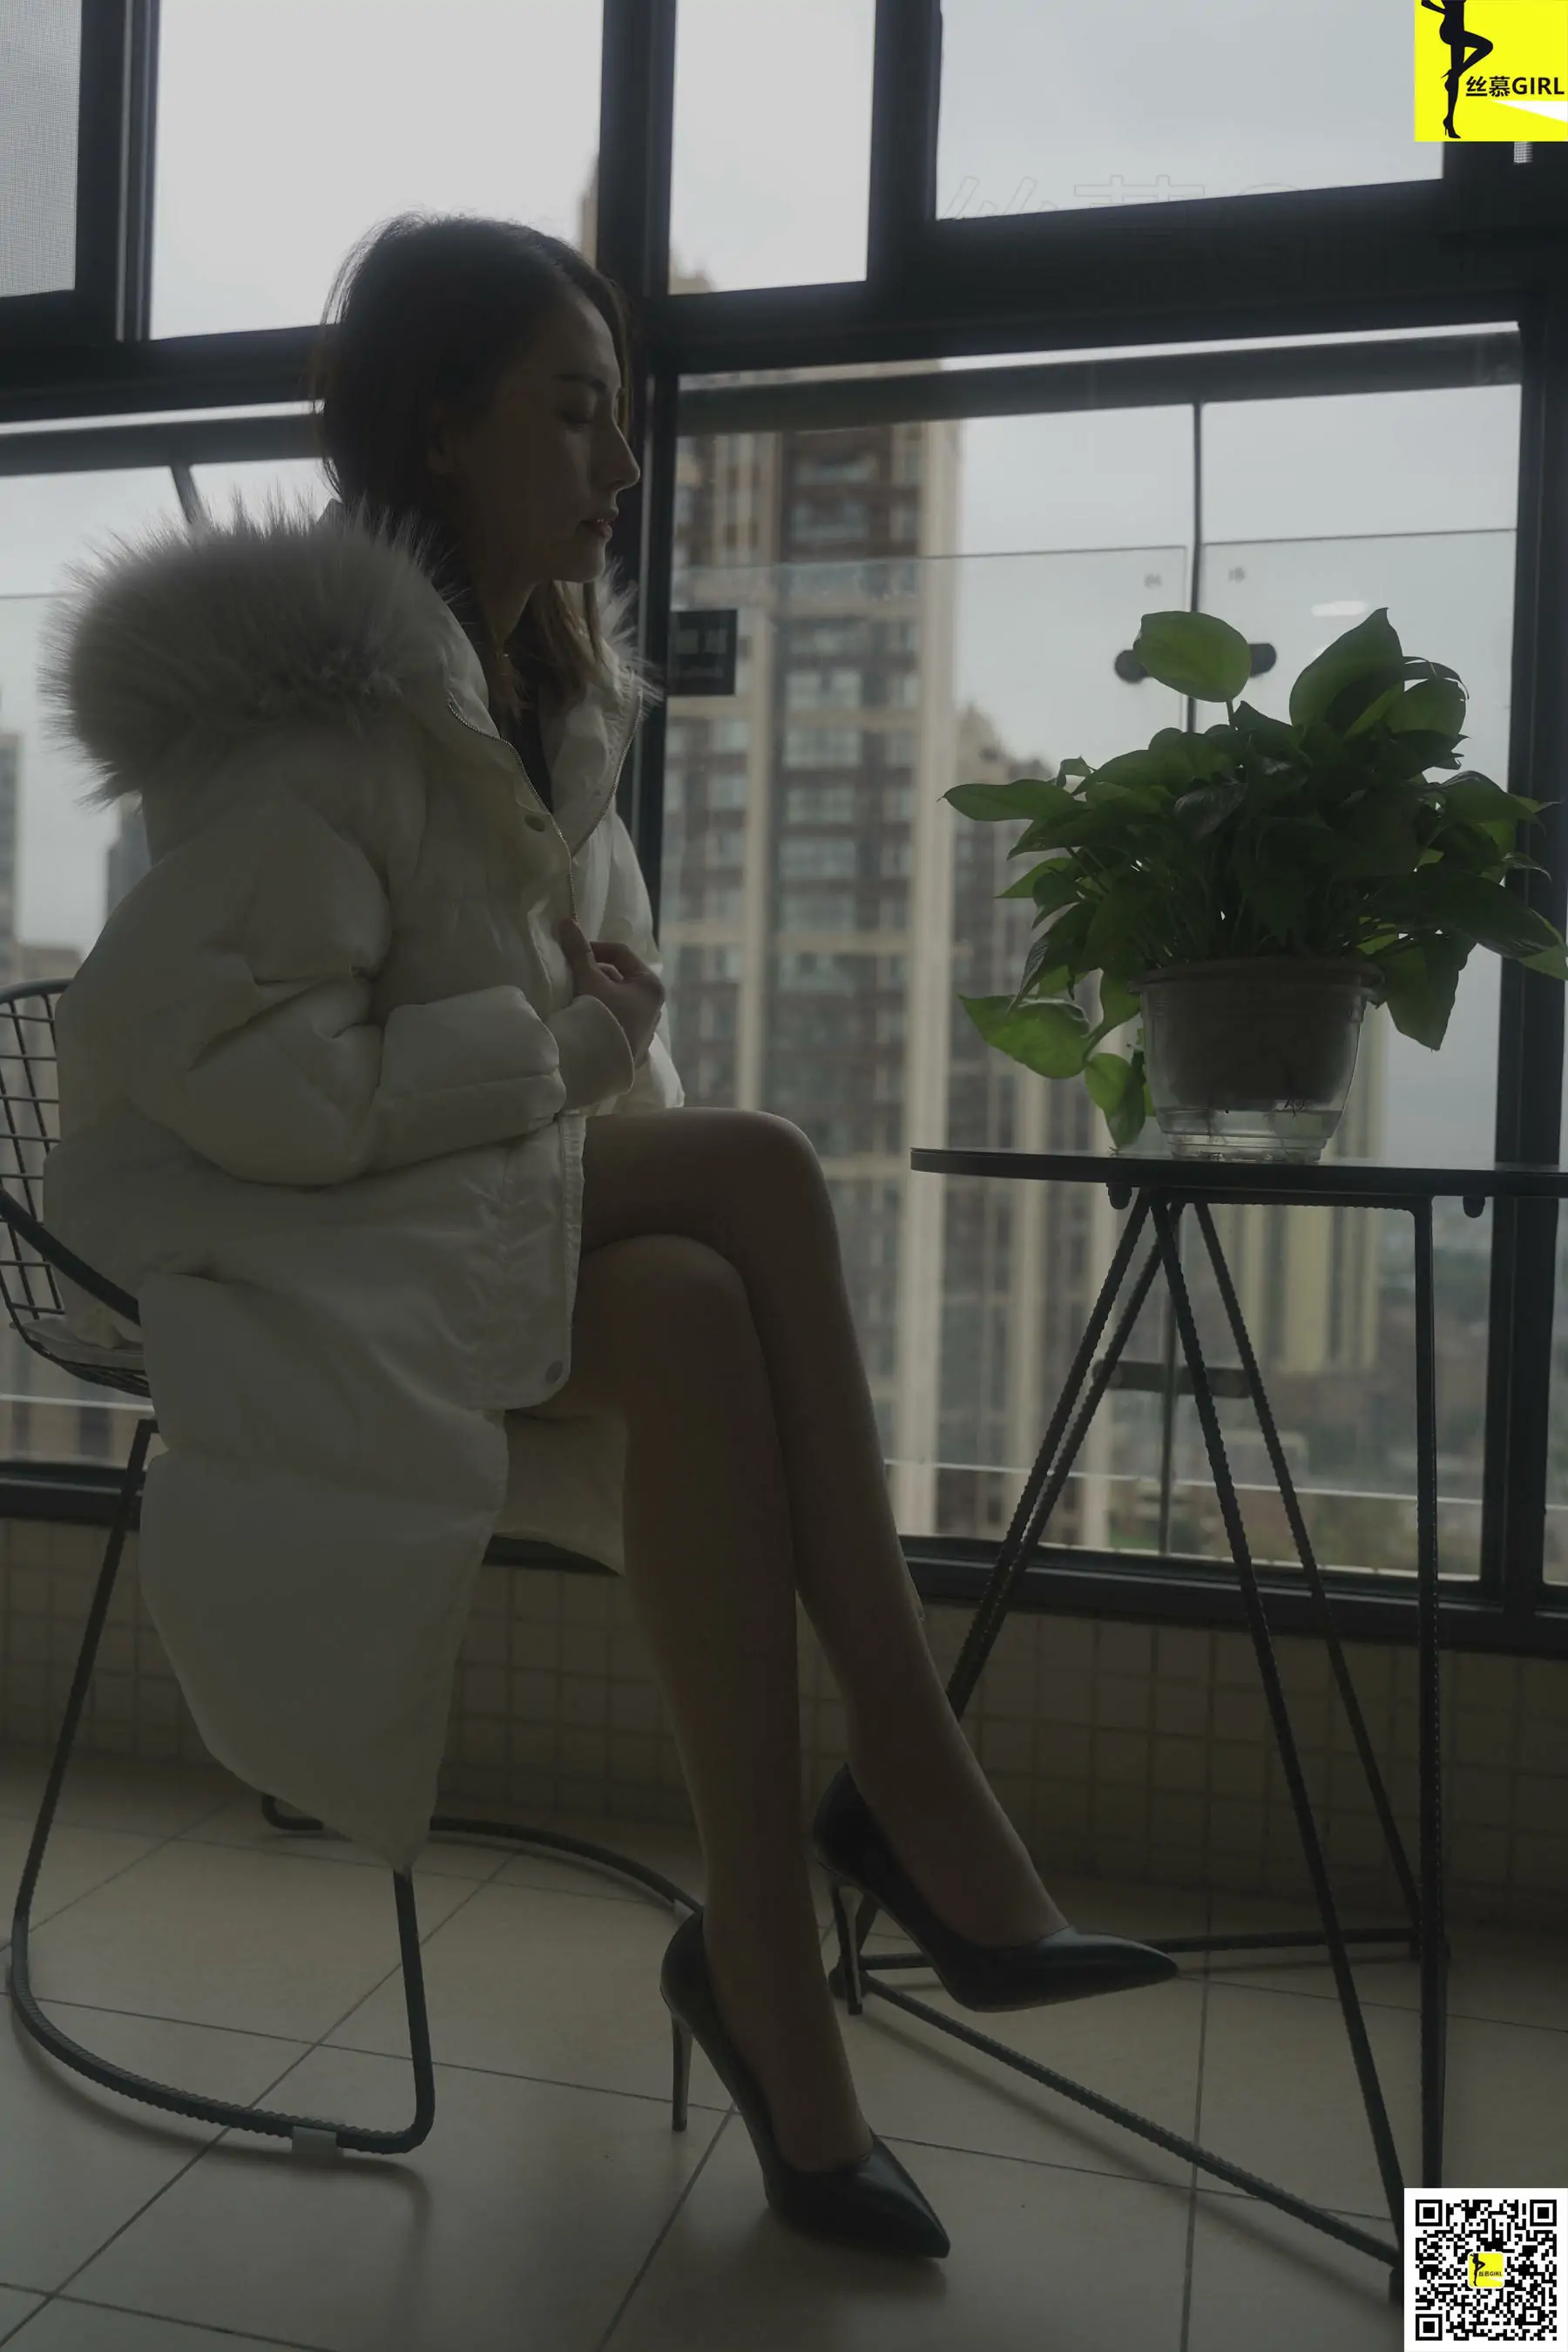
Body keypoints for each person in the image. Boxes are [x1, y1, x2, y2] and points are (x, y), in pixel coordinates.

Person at [38, 213, 1173, 2261]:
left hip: (439, 1203)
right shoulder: (313, 727)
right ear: (439, 424)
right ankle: (910, 1782)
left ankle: (766, 1968)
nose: (621, 469)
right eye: (576, 413)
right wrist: (562, 1049)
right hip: (274, 1238)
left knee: (696, 1304)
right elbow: (247, 1080)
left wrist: (581, 1058)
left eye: (621, 417)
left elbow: (595, 1049)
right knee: (758, 1175)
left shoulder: (539, 713)